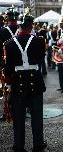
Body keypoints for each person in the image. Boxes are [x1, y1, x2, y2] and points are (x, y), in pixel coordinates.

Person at [3, 12, 47, 152]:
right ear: (30, 26)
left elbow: (8, 68)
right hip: (35, 79)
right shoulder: (39, 41)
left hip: (18, 81)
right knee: (36, 116)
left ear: (19, 26)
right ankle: (38, 144)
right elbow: (41, 58)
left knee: (18, 118)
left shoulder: (8, 44)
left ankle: (19, 146)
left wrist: (8, 86)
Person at [0, 6, 20, 122]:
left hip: (7, 65)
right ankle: (22, 108)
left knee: (7, 89)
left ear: (7, 18)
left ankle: (8, 112)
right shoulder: (22, 29)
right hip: (21, 64)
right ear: (17, 18)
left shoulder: (2, 31)